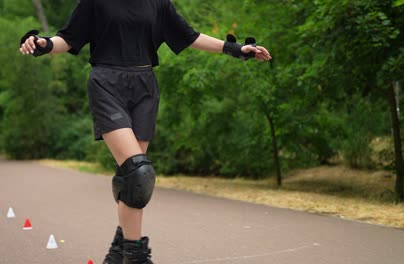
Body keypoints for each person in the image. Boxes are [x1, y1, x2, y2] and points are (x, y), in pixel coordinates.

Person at [19, 0, 271, 263]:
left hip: (144, 88)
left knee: (134, 181)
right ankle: (135, 255)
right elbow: (67, 39)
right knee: (138, 172)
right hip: (107, 83)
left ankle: (119, 250)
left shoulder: (158, 3)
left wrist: (234, 49)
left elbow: (190, 36)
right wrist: (43, 44)